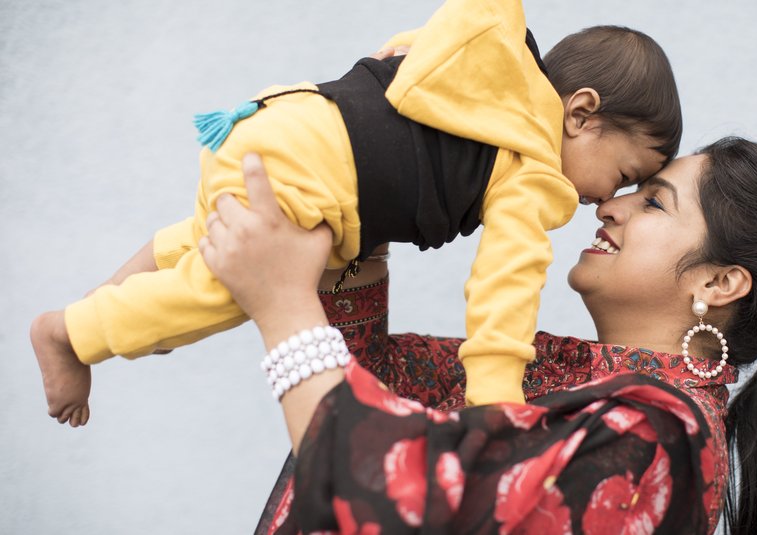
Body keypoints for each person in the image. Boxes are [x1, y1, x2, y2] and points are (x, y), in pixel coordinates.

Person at [30, 0, 681, 426]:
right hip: (308, 174)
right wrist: (495, 403)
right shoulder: (532, 166)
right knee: (224, 290)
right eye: (624, 176)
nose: (606, 200)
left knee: (206, 243)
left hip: (281, 119)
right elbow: (503, 291)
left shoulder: (486, 59)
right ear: (581, 113)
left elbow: (401, 53)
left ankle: (109, 295)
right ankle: (73, 330)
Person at [202, 137, 757, 534]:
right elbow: (362, 375)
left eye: (654, 204)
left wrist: (283, 304)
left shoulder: (654, 437)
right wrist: (378, 167)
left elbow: (394, 499)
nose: (608, 206)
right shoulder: (562, 372)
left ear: (720, 282)